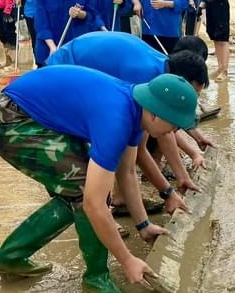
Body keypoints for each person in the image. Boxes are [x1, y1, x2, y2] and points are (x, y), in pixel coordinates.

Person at [0, 67, 198, 293]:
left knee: (78, 191)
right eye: (174, 125)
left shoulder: (138, 110)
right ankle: (96, 277)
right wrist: (127, 260)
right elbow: (94, 204)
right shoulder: (116, 120)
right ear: (157, 115)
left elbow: (126, 172)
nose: (174, 132)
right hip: (10, 120)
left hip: (33, 114)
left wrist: (143, 225)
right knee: (86, 191)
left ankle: (9, 257)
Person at [48, 31, 214, 190]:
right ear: (181, 82)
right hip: (60, 74)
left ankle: (119, 194)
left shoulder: (165, 67)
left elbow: (167, 124)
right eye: (192, 93)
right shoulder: (144, 74)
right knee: (118, 141)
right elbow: (164, 131)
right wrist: (182, 176)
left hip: (76, 70)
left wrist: (196, 140)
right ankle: (114, 195)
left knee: (132, 139)